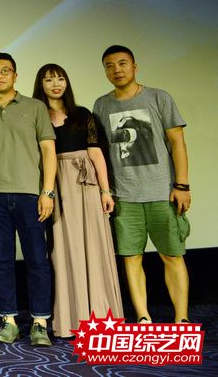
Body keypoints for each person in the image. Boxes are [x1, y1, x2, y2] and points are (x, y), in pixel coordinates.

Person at [93, 45, 191, 324]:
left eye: (123, 63)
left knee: (172, 256)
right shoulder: (102, 105)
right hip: (124, 197)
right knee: (131, 258)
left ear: (135, 67)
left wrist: (182, 185)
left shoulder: (159, 97)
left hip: (163, 193)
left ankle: (181, 319)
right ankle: (143, 317)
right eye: (110, 65)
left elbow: (177, 142)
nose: (117, 70)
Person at [32, 62, 122, 338]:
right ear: (40, 85)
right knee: (62, 249)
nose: (56, 84)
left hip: (85, 186)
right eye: (49, 80)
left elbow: (95, 153)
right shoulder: (36, 115)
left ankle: (101, 316)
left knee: (94, 245)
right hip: (55, 186)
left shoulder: (82, 114)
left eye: (60, 78)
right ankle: (72, 316)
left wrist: (105, 191)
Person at [0, 53, 57, 347]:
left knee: (37, 259)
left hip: (30, 195)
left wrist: (47, 192)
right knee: (1, 261)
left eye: (5, 70)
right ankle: (9, 320)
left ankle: (40, 322)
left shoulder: (35, 107)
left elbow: (48, 151)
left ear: (15, 75)